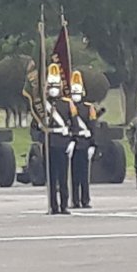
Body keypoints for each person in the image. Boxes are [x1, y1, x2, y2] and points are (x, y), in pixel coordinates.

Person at [40, 63, 75, 215]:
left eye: (56, 84)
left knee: (63, 176)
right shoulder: (43, 105)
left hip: (63, 142)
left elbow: (74, 125)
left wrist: (72, 141)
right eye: (51, 85)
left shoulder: (67, 104)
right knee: (51, 178)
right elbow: (36, 126)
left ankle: (64, 205)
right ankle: (52, 206)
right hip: (49, 142)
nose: (53, 87)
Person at [69, 71, 99, 210]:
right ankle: (75, 200)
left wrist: (93, 144)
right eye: (73, 91)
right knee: (74, 175)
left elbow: (93, 127)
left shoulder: (89, 108)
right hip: (73, 143)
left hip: (85, 143)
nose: (75, 94)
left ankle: (85, 199)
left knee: (84, 175)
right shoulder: (69, 106)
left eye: (77, 91)